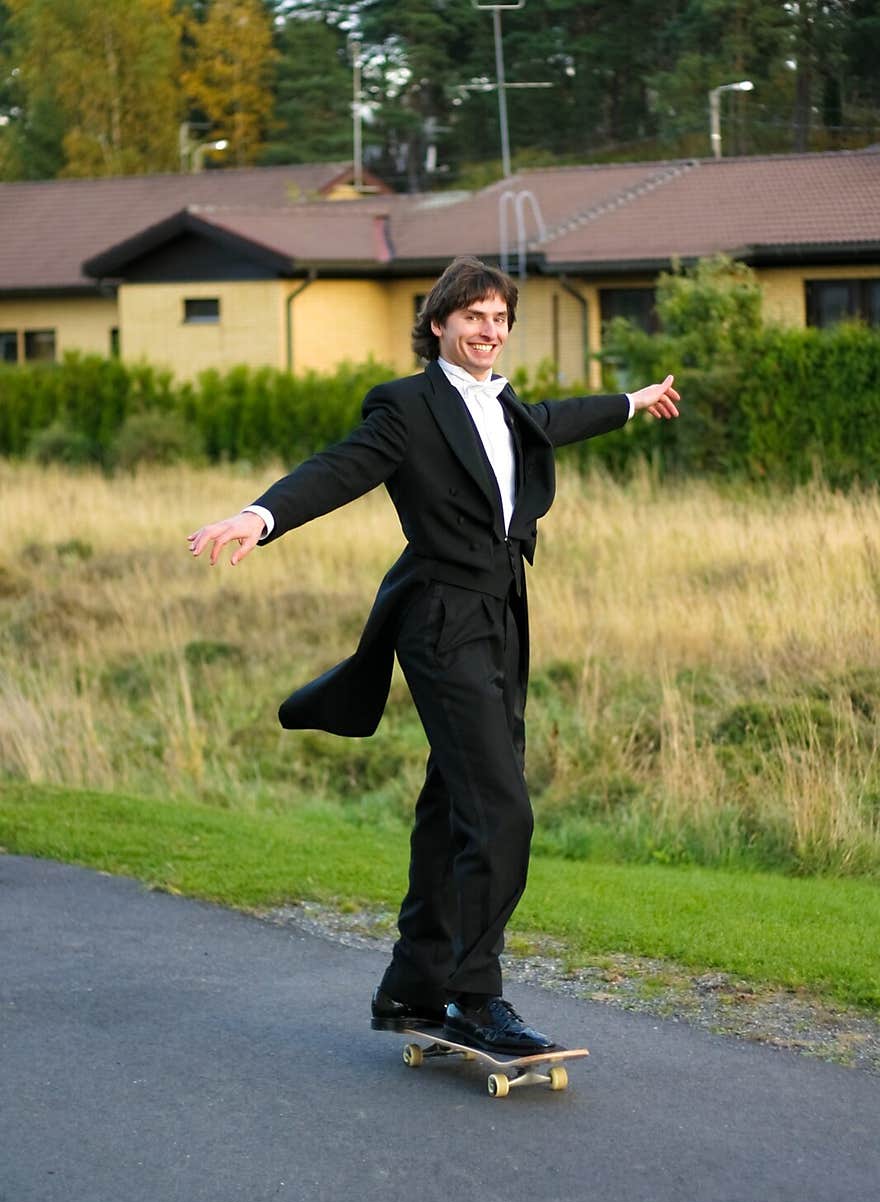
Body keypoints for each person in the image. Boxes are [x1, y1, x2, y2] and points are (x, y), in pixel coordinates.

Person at [188, 255, 679, 1055]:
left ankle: (410, 986)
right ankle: (474, 994)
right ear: (439, 323)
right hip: (441, 618)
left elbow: (556, 418)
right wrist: (260, 516)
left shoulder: (506, 403)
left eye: (500, 319)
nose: (489, 330)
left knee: (455, 800)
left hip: (502, 612)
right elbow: (339, 469)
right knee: (502, 809)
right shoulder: (407, 406)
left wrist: (633, 401)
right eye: (474, 316)